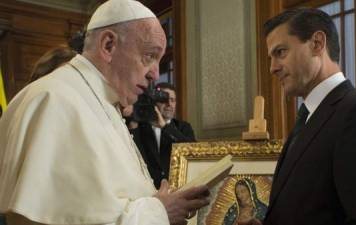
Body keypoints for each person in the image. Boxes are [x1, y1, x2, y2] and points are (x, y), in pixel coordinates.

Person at [0, 0, 210, 225]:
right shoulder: (54, 99)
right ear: (108, 45)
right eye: (149, 56)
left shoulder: (103, 101)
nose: (156, 75)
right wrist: (159, 212)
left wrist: (157, 204)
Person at [242, 7, 356, 225]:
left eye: (280, 53)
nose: (272, 68)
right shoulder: (309, 116)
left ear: (317, 43)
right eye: (271, 57)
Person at [132, 82, 195, 189]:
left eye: (172, 100)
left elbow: (193, 152)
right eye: (164, 100)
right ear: (154, 102)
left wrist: (165, 127)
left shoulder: (184, 127)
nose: (169, 104)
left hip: (178, 188)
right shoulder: (139, 128)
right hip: (148, 191)